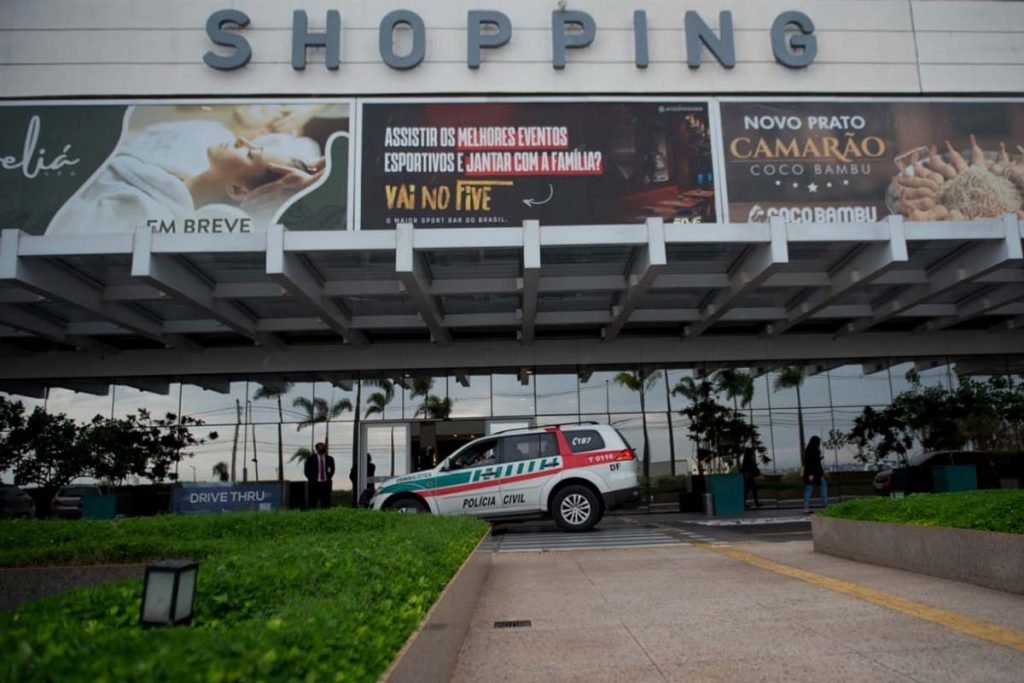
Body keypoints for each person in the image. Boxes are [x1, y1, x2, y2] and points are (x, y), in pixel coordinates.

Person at [47, 119, 324, 235]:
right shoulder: (168, 167)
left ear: (238, 190)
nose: (241, 140)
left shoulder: (146, 215)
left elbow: (55, 222)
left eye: (251, 154)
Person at [304, 442, 335, 509]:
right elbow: (307, 471)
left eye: (324, 446)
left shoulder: (330, 459)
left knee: (326, 504)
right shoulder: (310, 459)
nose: (323, 448)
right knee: (312, 504)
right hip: (314, 485)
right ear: (317, 448)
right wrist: (313, 480)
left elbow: (332, 470)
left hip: (326, 485)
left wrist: (328, 478)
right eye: (321, 446)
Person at [802, 435, 827, 513]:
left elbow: (807, 463)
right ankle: (825, 506)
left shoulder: (807, 450)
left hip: (810, 473)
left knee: (808, 489)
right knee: (823, 489)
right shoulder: (816, 451)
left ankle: (806, 507)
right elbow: (814, 463)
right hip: (817, 473)